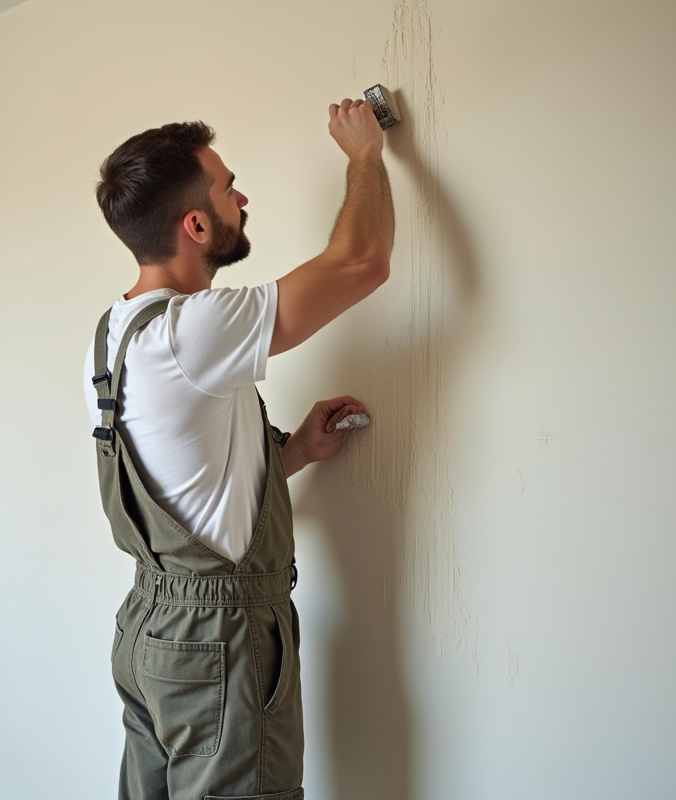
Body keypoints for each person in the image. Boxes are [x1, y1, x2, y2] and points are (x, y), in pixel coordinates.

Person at [85, 98, 394, 800]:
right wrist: (365, 157)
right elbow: (362, 263)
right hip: (217, 637)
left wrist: (293, 452)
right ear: (196, 226)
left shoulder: (112, 335)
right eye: (229, 189)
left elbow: (181, 476)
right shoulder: (192, 330)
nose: (242, 199)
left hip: (152, 628)